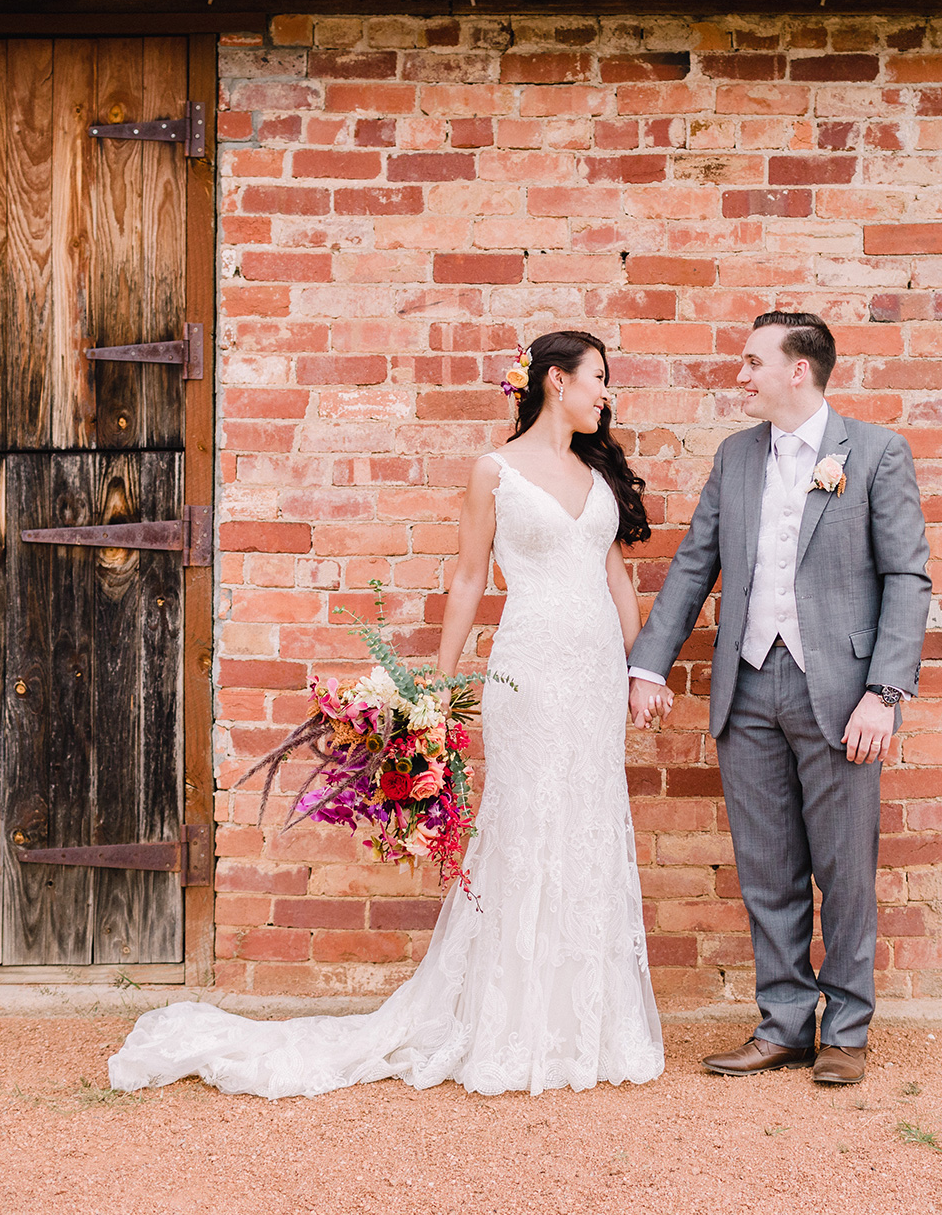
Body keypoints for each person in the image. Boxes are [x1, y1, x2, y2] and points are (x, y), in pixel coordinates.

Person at [108, 330, 666, 1099]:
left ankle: (584, 1028)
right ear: (554, 382)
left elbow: (616, 578)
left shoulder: (597, 474)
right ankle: (513, 1028)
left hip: (596, 672)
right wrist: (433, 689)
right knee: (528, 824)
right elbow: (470, 578)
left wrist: (643, 668)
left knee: (591, 824)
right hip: (529, 670)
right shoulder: (494, 472)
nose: (607, 392)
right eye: (598, 378)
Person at [627, 311, 931, 1087]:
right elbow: (694, 565)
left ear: (799, 369)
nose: (742, 374)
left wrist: (884, 693)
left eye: (753, 360)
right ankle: (785, 1023)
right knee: (767, 869)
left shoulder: (875, 452)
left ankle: (848, 1029)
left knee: (846, 871)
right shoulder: (735, 457)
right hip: (749, 685)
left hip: (842, 693)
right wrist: (650, 666)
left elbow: (907, 578)